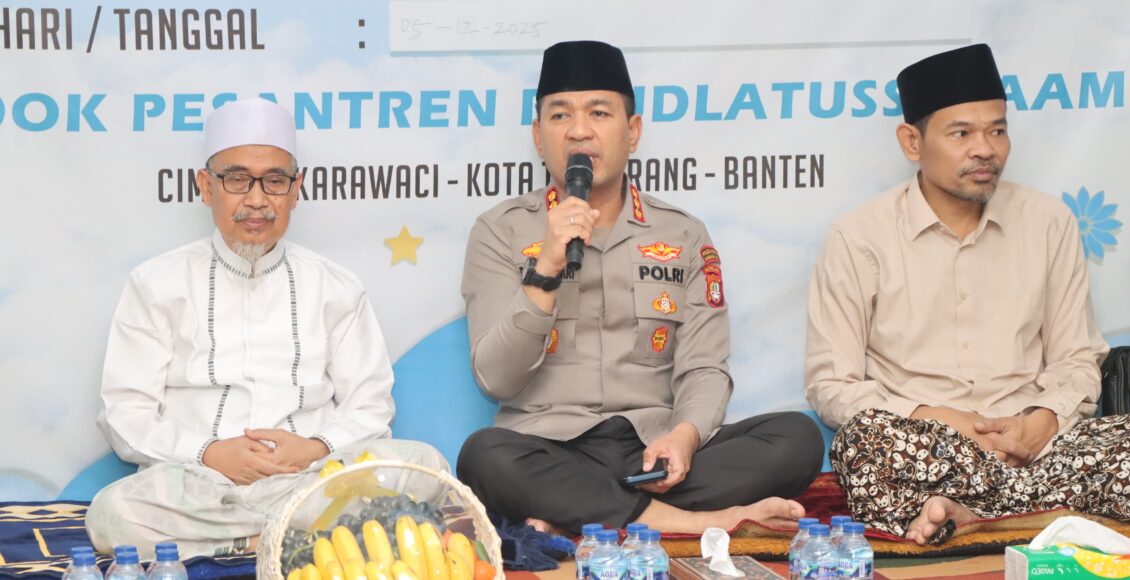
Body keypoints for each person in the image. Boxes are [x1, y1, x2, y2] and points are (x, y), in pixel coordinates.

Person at [458, 40, 823, 536]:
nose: (579, 130)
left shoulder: (683, 234)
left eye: (599, 113)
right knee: (484, 456)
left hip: (654, 454)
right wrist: (544, 269)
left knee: (797, 437)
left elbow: (704, 366)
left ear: (632, 132)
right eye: (560, 115)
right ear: (539, 137)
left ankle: (584, 513)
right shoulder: (500, 231)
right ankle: (697, 522)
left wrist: (684, 438)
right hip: (550, 447)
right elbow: (496, 380)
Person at [87, 98, 447, 558]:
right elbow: (126, 413)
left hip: (311, 479)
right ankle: (292, 540)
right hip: (202, 483)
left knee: (424, 466)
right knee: (113, 513)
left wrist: (315, 447)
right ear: (206, 186)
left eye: (274, 181)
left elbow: (371, 406)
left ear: (295, 190)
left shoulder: (335, 286)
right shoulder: (156, 284)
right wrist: (210, 453)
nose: (256, 199)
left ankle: (244, 540)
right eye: (237, 179)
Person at [805, 44, 1114, 545]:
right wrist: (937, 420)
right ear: (912, 142)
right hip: (926, 446)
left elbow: (1077, 359)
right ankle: (1035, 509)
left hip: (1036, 446)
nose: (985, 149)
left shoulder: (1048, 222)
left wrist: (1042, 421)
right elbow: (831, 384)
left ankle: (967, 512)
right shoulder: (859, 237)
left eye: (997, 131)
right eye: (961, 133)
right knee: (863, 446)